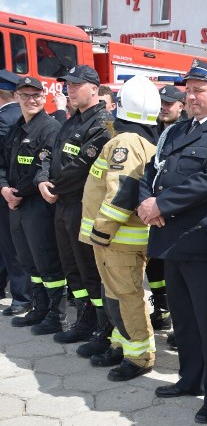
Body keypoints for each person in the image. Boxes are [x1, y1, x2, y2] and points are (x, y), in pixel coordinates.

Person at [138, 60, 207, 424]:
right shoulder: (175, 131)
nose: (190, 96)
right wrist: (146, 203)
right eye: (188, 89)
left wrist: (162, 204)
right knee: (184, 320)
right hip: (171, 240)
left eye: (199, 90)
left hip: (206, 245)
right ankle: (191, 379)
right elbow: (152, 170)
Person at [81, 75, 160, 381]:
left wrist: (100, 232)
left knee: (126, 298)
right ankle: (122, 344)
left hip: (116, 239)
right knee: (116, 295)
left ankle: (139, 358)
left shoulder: (124, 143)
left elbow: (120, 191)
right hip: (121, 239)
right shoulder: (140, 141)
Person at [35, 65, 111, 347]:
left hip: (83, 205)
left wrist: (52, 187)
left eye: (76, 85)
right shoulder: (70, 121)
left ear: (94, 88)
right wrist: (42, 178)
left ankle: (103, 327)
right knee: (71, 268)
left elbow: (83, 166)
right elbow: (48, 153)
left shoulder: (102, 123)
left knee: (89, 268)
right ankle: (84, 319)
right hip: (62, 203)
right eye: (68, 85)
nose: (70, 89)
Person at [0, 77, 63, 331]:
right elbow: (3, 163)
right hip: (15, 203)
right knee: (28, 260)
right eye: (25, 96)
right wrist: (4, 188)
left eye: (36, 95)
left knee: (46, 260)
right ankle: (39, 307)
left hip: (37, 205)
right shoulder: (16, 128)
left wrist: (16, 194)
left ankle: (55, 315)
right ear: (16, 97)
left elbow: (43, 169)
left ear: (44, 96)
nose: (31, 100)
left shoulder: (50, 128)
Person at [144, 84, 188, 334]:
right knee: (155, 268)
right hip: (152, 214)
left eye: (169, 102)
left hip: (172, 213)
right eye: (161, 101)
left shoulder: (183, 133)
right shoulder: (153, 131)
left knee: (173, 272)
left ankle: (174, 316)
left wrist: (163, 206)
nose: (164, 106)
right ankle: (161, 307)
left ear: (181, 106)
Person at [0, 69, 31, 316]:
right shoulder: (18, 117)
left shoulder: (5, 119)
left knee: (12, 245)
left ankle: (22, 297)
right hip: (17, 190)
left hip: (9, 192)